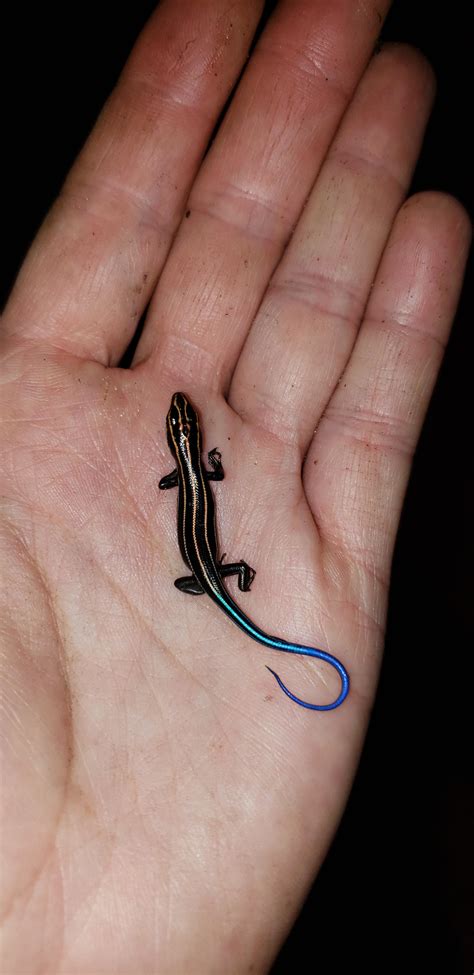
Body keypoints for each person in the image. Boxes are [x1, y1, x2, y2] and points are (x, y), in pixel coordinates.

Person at [0, 1, 470, 972]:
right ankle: (270, 642)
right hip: (214, 577)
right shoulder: (193, 472)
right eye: (191, 435)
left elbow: (196, 492)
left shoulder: (191, 477)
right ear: (190, 444)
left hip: (209, 575)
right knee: (217, 574)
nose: (191, 438)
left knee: (213, 571)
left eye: (187, 434)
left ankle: (269, 641)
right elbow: (197, 487)